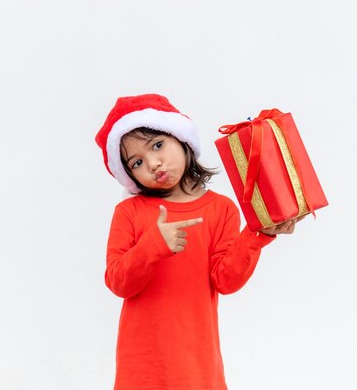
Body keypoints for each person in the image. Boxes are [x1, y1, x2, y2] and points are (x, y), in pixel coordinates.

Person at [95, 94, 301, 390]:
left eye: (157, 145)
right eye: (137, 162)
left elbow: (226, 281)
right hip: (142, 368)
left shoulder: (221, 209)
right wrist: (153, 245)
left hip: (197, 366)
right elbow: (117, 282)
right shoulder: (128, 212)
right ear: (131, 175)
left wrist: (259, 234)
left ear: (182, 139)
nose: (153, 163)